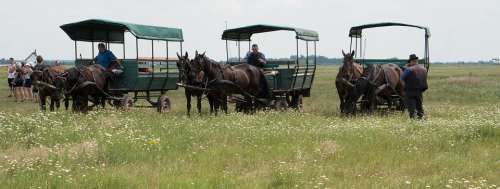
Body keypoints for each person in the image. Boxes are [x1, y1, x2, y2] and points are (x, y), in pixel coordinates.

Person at [401, 54, 428, 120]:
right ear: (417, 61)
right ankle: (421, 120)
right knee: (419, 107)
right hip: (420, 92)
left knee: (411, 109)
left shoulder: (409, 70)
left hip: (410, 92)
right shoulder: (424, 69)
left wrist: (405, 68)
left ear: (411, 61)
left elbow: (402, 78)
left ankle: (413, 122)